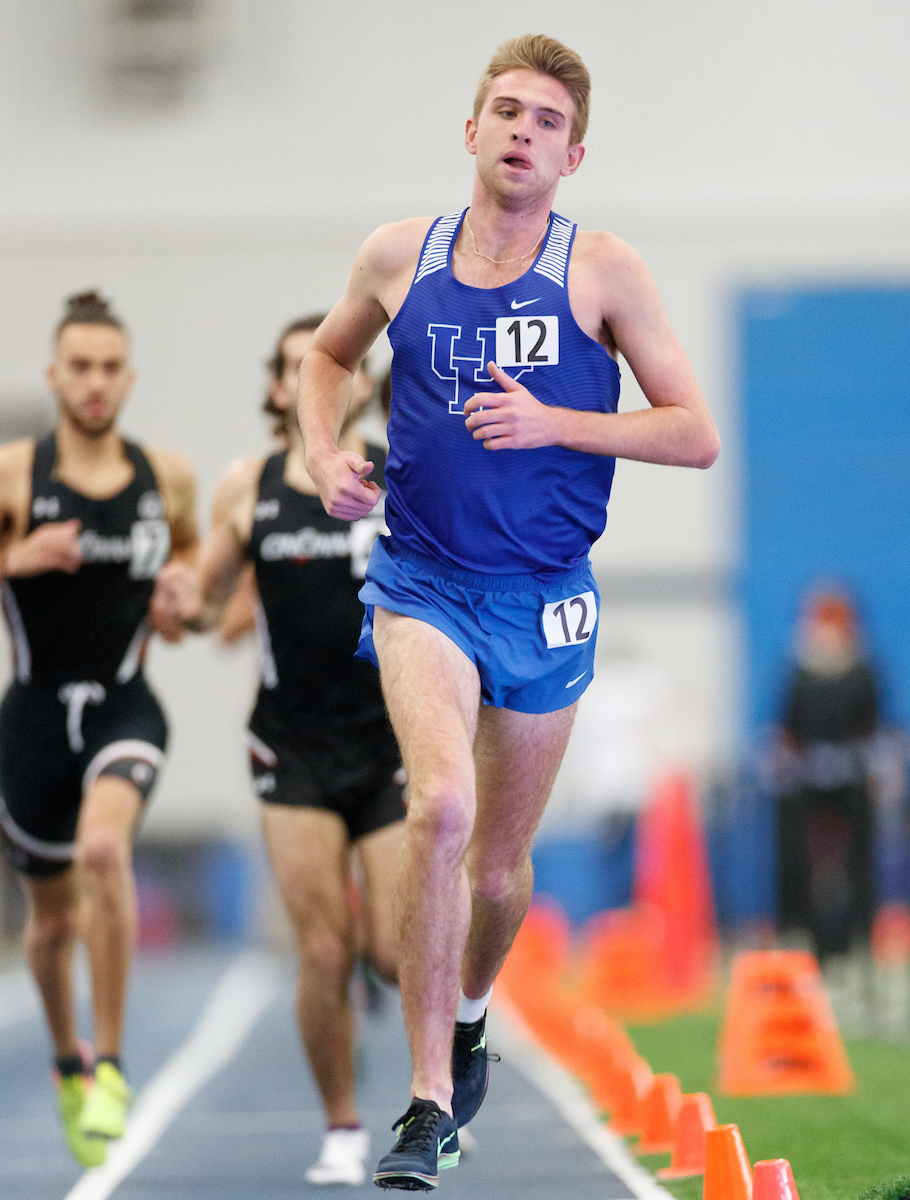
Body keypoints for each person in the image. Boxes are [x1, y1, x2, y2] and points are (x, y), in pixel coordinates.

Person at [297, 34, 720, 1190]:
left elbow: (693, 432)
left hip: (545, 598)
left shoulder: (604, 273)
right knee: (437, 809)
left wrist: (558, 423)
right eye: (506, 111)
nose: (523, 131)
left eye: (546, 120)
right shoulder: (399, 256)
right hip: (420, 579)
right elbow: (325, 360)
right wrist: (320, 447)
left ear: (573, 154)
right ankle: (427, 1102)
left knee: (498, 869)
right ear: (470, 131)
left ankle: (473, 1012)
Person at [153, 314, 405, 1187]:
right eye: (302, 367)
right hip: (290, 747)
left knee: (392, 953)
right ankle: (342, 1125)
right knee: (324, 952)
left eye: (338, 365)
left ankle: (428, 1084)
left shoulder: (400, 469)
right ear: (279, 390)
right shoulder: (248, 485)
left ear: (363, 382)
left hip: (389, 740)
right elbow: (206, 593)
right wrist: (178, 598)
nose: (324, 378)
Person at [0, 291, 197, 1168]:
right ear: (55, 375)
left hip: (128, 702)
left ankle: (112, 1065)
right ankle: (68, 1062)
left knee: (105, 853)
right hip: (32, 720)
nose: (95, 383)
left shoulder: (165, 477)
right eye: (79, 367)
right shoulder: (10, 476)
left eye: (109, 368)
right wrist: (15, 557)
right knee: (50, 924)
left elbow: (194, 565)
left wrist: (184, 599)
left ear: (127, 378)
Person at [775, 589, 880, 959]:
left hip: (850, 777)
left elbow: (873, 725)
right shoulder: (801, 673)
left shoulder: (862, 671)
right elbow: (788, 727)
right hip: (808, 780)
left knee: (858, 861)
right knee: (799, 857)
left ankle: (860, 938)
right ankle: (802, 934)